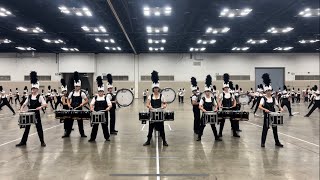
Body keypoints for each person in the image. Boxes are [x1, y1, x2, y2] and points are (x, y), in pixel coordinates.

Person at [16, 71, 47, 147]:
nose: (33, 90)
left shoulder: (40, 97)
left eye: (35, 89)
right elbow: (24, 104)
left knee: (39, 128)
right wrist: (21, 109)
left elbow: (45, 104)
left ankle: (42, 141)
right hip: (29, 114)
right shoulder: (29, 97)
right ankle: (23, 142)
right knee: (27, 128)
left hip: (36, 114)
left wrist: (40, 107)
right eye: (32, 88)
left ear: (37, 89)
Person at [143, 70, 168, 146]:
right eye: (155, 88)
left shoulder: (162, 96)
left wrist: (164, 106)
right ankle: (148, 140)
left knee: (162, 127)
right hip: (152, 113)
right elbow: (147, 104)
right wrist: (149, 106)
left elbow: (165, 103)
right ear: (153, 89)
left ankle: (164, 141)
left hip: (160, 113)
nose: (156, 89)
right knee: (150, 128)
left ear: (158, 89)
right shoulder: (150, 96)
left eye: (157, 88)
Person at [259, 73, 284, 148]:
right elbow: (259, 106)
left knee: (275, 129)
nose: (269, 92)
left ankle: (277, 142)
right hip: (266, 116)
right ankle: (263, 143)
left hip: (273, 115)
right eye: (267, 91)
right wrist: (265, 109)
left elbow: (277, 105)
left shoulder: (274, 98)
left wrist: (281, 108)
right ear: (265, 92)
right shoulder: (263, 98)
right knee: (265, 129)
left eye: (270, 90)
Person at [63, 71, 88, 138]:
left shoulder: (82, 93)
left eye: (78, 86)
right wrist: (68, 105)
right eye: (75, 86)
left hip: (79, 109)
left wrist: (83, 104)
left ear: (80, 86)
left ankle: (82, 134)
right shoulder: (72, 92)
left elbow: (86, 100)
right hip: (72, 108)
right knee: (70, 121)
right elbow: (68, 99)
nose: (76, 88)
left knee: (80, 122)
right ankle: (67, 134)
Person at [197, 75, 221, 142]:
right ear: (205, 92)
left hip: (211, 114)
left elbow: (216, 105)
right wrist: (202, 109)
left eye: (208, 91)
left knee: (213, 126)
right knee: (202, 126)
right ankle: (199, 137)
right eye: (206, 91)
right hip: (205, 114)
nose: (207, 93)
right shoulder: (203, 98)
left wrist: (216, 108)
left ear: (210, 92)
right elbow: (199, 106)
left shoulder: (213, 99)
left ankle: (216, 137)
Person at [88, 76, 112, 142]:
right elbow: (91, 104)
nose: (100, 93)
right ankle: (92, 138)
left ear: (103, 91)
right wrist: (91, 108)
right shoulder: (95, 98)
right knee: (95, 126)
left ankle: (107, 137)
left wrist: (108, 108)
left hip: (104, 113)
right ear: (98, 91)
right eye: (99, 91)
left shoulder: (106, 97)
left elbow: (110, 104)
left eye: (101, 91)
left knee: (105, 126)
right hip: (96, 113)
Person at [218, 73, 240, 138]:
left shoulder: (231, 94)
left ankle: (234, 133)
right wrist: (220, 105)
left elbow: (234, 100)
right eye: (225, 87)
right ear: (223, 88)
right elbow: (218, 100)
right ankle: (220, 133)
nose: (226, 88)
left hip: (230, 109)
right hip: (224, 109)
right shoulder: (222, 94)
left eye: (227, 87)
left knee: (232, 121)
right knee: (222, 122)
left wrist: (234, 104)